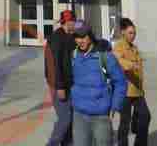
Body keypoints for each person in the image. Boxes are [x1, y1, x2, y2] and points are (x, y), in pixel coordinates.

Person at [70, 21, 127, 146]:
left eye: (83, 36)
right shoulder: (74, 56)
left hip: (101, 116)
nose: (80, 40)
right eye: (77, 37)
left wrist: (115, 106)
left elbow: (120, 82)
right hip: (79, 115)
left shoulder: (105, 57)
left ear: (90, 36)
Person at [113, 18, 151, 146]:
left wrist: (142, 89)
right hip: (125, 91)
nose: (133, 35)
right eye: (130, 33)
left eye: (134, 33)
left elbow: (139, 70)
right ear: (123, 32)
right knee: (125, 123)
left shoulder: (134, 48)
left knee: (145, 116)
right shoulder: (118, 46)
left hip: (137, 91)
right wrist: (130, 65)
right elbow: (117, 61)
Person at [45, 10, 77, 146]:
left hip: (68, 84)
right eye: (73, 22)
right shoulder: (57, 38)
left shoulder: (67, 36)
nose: (75, 24)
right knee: (65, 118)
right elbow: (55, 64)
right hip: (59, 85)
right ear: (67, 22)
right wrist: (60, 86)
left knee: (71, 119)